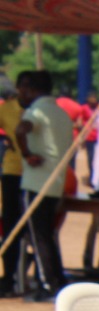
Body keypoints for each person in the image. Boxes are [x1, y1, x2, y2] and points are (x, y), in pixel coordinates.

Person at [13, 71, 72, 301]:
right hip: (56, 183)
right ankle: (57, 279)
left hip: (36, 182)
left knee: (38, 237)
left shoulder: (36, 111)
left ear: (31, 88)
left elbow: (21, 129)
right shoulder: (61, 113)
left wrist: (26, 153)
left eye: (22, 90)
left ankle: (47, 285)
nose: (21, 94)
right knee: (47, 235)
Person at [0, 76, 25, 297]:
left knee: (35, 230)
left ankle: (30, 274)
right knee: (10, 225)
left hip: (38, 175)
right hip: (12, 172)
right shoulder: (6, 109)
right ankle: (9, 276)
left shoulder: (42, 111)